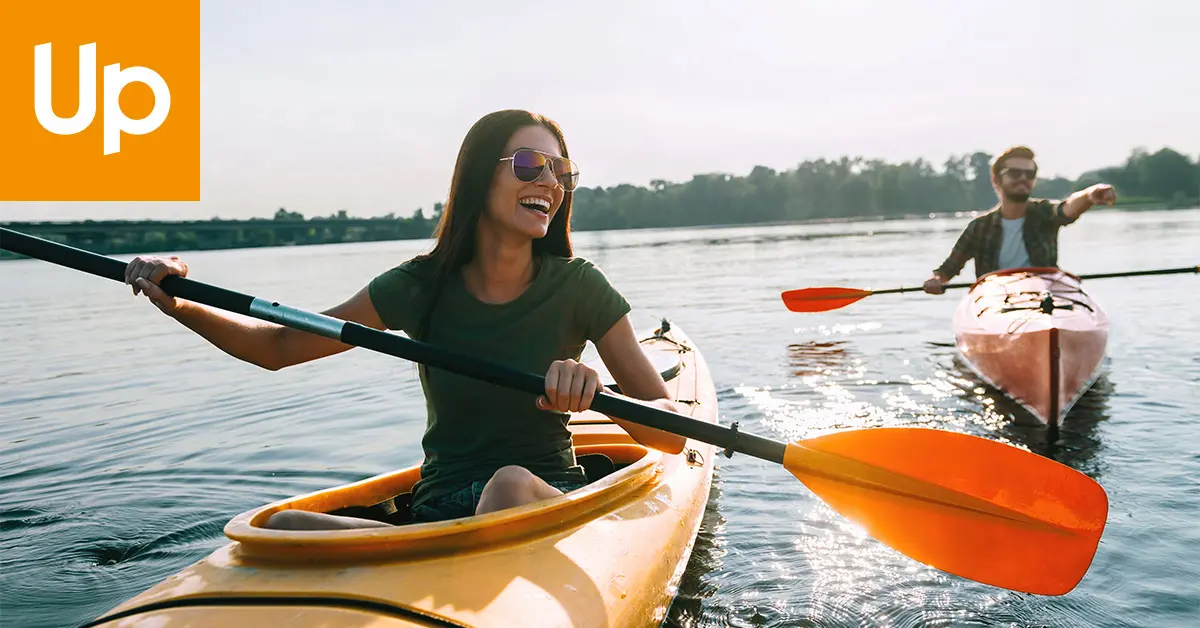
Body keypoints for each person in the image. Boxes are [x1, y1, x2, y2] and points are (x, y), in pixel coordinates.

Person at [122, 109, 687, 530]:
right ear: (477, 177)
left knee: (508, 484)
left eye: (561, 170)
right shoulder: (419, 286)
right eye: (528, 164)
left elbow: (667, 433)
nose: (549, 181)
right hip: (438, 510)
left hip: (540, 496)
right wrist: (180, 301)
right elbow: (277, 347)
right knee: (278, 525)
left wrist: (594, 394)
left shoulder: (579, 286)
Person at [922, 145, 1117, 294]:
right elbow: (947, 269)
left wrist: (1090, 195)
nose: (1023, 178)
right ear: (997, 180)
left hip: (1045, 295)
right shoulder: (979, 228)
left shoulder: (1044, 213)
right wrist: (936, 280)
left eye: (1029, 174)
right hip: (996, 300)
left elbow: (1066, 208)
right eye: (1015, 173)